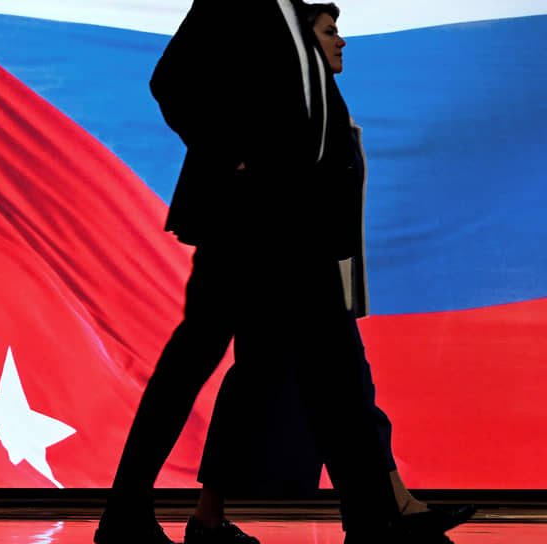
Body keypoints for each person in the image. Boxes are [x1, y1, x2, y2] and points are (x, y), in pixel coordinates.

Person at [94, 1, 462, 543]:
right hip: (249, 218)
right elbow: (170, 79)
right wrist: (230, 155)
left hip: (298, 227)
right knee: (204, 360)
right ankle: (128, 513)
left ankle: (375, 520)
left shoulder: (290, 15)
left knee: (333, 370)